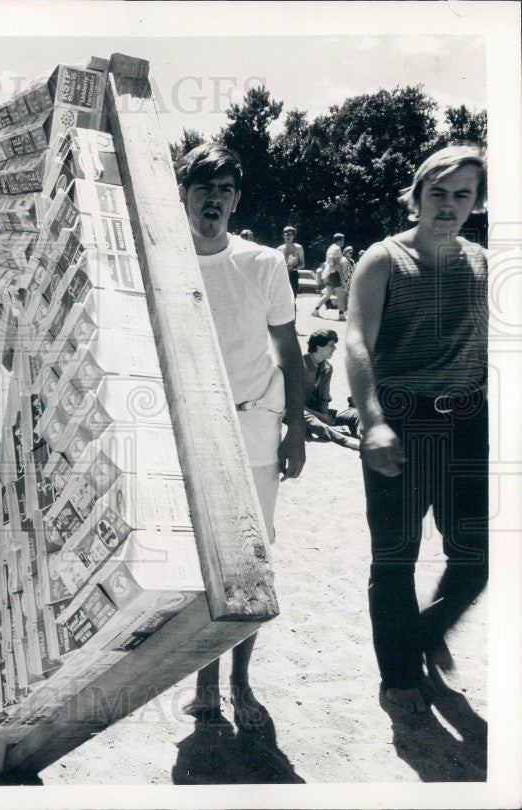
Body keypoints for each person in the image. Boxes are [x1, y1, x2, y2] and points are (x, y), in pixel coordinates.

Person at [346, 144, 488, 714]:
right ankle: (400, 681)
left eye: (463, 195)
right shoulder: (382, 259)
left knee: (479, 555)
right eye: (438, 193)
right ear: (416, 195)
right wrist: (372, 421)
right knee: (396, 557)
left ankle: (424, 635)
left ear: (477, 202)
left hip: (471, 423)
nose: (449, 205)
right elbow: (356, 340)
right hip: (403, 421)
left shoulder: (484, 263)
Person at [176, 143, 305, 730]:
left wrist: (296, 426)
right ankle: (203, 679)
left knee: (253, 555)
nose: (214, 199)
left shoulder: (263, 263)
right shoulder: (162, 260)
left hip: (254, 419)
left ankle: (240, 680)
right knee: (199, 552)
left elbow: (288, 349)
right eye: (204, 187)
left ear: (236, 199)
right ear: (182, 193)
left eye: (226, 188)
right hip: (187, 424)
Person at [303, 329, 360, 449]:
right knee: (308, 417)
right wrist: (322, 416)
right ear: (319, 346)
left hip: (316, 410)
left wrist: (324, 414)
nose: (334, 349)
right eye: (331, 345)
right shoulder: (300, 365)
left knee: (355, 414)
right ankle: (344, 441)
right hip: (297, 411)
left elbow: (324, 396)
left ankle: (362, 436)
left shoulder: (327, 367)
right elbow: (294, 403)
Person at [312, 232, 346, 320]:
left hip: (327, 273)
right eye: (343, 240)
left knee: (328, 293)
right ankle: (341, 315)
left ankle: (315, 310)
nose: (343, 242)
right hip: (333, 273)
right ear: (340, 240)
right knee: (340, 294)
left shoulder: (331, 247)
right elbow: (337, 264)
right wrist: (341, 275)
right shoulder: (337, 248)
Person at [277, 226, 305, 299]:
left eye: (291, 234)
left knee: (293, 296)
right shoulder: (279, 249)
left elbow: (302, 264)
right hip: (282, 274)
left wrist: (294, 268)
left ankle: (293, 310)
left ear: (293, 236)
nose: (288, 237)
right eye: (287, 234)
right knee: (282, 296)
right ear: (283, 236)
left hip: (293, 274)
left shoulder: (298, 248)